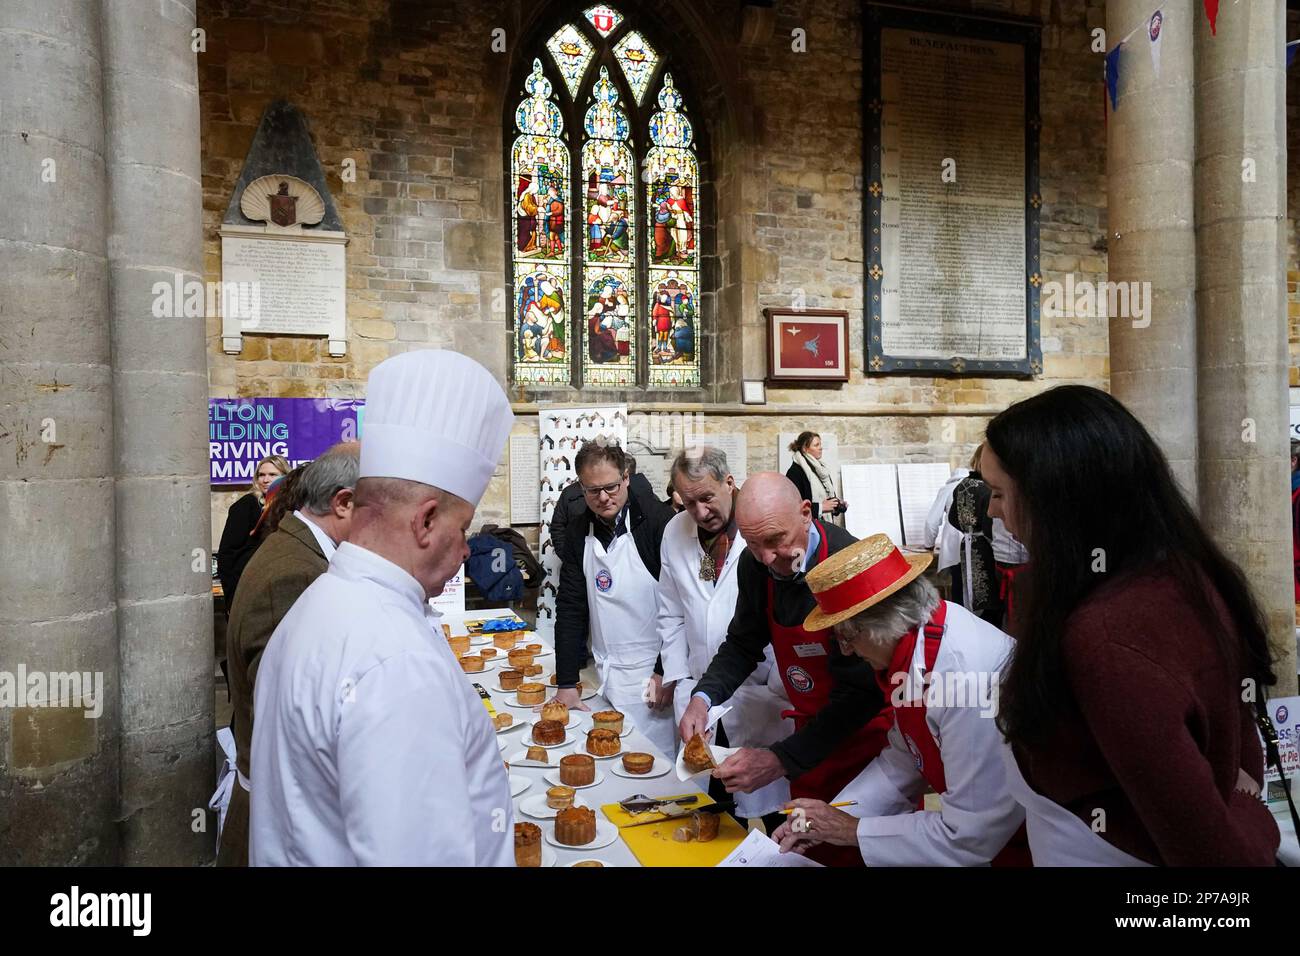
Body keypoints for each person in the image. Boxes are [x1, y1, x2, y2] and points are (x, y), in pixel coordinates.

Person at [984, 385, 1280, 865]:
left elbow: (1215, 857)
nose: (993, 511)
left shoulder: (1107, 637)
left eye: (999, 494)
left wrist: (1245, 806)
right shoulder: (1173, 573)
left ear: (1057, 499)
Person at [250, 350, 516, 866]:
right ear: (426, 521)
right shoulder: (398, 663)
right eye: (462, 531)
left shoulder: (321, 600)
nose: (465, 551)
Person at [770, 533, 1028, 866]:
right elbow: (904, 759)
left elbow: (968, 837)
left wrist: (853, 831)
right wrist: (828, 818)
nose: (845, 650)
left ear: (881, 625)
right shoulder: (915, 645)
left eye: (847, 636)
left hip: (1032, 843)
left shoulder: (964, 678)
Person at [678, 473, 893, 864]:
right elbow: (744, 641)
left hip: (866, 746)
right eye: (753, 542)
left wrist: (779, 758)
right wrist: (703, 698)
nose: (765, 557)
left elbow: (861, 693)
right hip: (808, 736)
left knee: (861, 851)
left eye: (776, 540)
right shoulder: (757, 565)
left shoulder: (847, 563)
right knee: (810, 850)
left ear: (806, 513)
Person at [216, 442, 359, 867]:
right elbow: (291, 721)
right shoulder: (294, 574)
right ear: (343, 504)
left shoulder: (300, 551)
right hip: (281, 823)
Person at [658, 448, 793, 827]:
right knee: (712, 810)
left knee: (774, 814)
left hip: (759, 692)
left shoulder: (759, 529)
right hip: (700, 693)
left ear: (729, 483)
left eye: (706, 498)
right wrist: (678, 677)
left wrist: (780, 684)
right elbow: (668, 610)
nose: (700, 512)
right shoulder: (675, 532)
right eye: (688, 503)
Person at [552, 441, 677, 754]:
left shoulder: (657, 522)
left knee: (657, 766)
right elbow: (570, 606)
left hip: (654, 673)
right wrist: (567, 682)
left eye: (610, 487)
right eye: (592, 491)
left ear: (626, 478)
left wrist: (665, 670)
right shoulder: (580, 529)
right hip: (607, 671)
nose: (603, 497)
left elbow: (679, 608)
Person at [216, 454, 288, 604]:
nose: (265, 480)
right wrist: (232, 598)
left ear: (285, 477)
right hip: (250, 588)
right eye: (261, 475)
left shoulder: (292, 507)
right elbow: (227, 554)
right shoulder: (246, 506)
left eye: (272, 475)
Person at [785, 432, 843, 522]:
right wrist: (820, 508)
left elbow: (826, 501)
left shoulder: (821, 469)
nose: (820, 448)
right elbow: (793, 507)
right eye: (816, 445)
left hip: (825, 526)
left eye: (820, 444)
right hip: (809, 529)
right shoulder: (794, 472)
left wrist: (837, 505)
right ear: (805, 449)